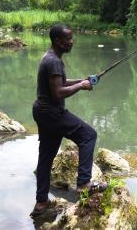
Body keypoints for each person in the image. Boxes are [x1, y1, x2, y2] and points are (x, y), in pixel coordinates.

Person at [30, 24, 107, 217]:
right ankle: (83, 184)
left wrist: (83, 80)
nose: (72, 41)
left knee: (46, 157)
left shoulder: (50, 58)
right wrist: (82, 85)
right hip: (52, 112)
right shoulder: (54, 61)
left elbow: (61, 83)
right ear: (58, 41)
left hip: (42, 111)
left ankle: (41, 203)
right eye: (68, 38)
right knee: (89, 135)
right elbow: (58, 93)